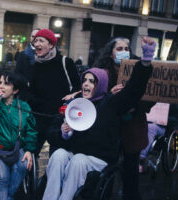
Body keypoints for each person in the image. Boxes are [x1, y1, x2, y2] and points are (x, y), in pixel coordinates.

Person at [42, 37, 155, 200]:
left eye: (92, 81)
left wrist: (145, 62)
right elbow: (52, 133)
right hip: (76, 155)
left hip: (96, 158)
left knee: (79, 160)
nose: (86, 84)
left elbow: (134, 90)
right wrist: (63, 132)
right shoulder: (75, 103)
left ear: (100, 84)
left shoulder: (110, 104)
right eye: (84, 80)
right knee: (59, 154)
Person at [93, 37, 155, 200]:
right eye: (119, 49)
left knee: (130, 173)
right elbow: (95, 99)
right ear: (111, 54)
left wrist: (136, 104)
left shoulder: (138, 70)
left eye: (126, 49)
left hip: (133, 129)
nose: (123, 52)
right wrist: (109, 96)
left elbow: (149, 98)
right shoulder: (102, 73)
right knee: (107, 171)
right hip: (110, 131)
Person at [0, 71, 37, 200]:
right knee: (2, 178)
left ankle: (6, 196)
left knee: (23, 166)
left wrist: (29, 150)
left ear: (15, 90)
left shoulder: (24, 107)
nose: (1, 86)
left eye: (6, 83)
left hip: (16, 146)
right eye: (0, 83)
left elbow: (31, 130)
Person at [28, 29, 81, 156]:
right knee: (31, 154)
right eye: (35, 41)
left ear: (51, 44)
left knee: (56, 155)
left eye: (41, 40)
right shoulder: (35, 65)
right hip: (40, 118)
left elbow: (78, 87)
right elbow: (32, 92)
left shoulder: (65, 62)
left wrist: (73, 95)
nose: (37, 44)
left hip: (59, 118)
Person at [139, 104, 178, 173]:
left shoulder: (173, 102)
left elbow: (175, 119)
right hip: (146, 121)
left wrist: (161, 118)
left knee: (150, 127)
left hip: (163, 126)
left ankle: (141, 159)